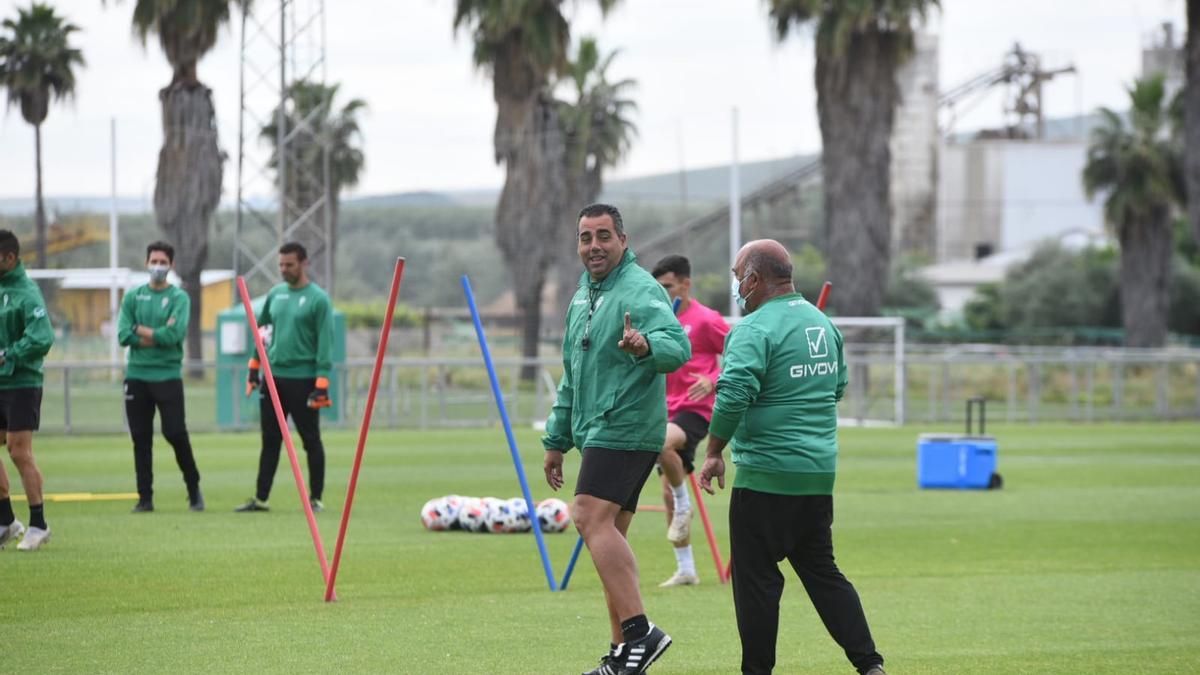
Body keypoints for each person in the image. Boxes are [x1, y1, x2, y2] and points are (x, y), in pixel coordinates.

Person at [699, 240, 885, 675]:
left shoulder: (753, 330)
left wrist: (713, 451)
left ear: (755, 278)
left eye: (737, 275)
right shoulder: (823, 325)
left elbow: (733, 397)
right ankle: (870, 664)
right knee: (824, 575)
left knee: (756, 585)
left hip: (765, 478)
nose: (736, 285)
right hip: (817, 477)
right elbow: (836, 388)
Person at [543, 203, 690, 675]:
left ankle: (640, 634)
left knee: (587, 517)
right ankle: (621, 656)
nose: (594, 246)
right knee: (609, 537)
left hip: (625, 426)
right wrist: (556, 438)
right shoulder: (583, 296)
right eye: (586, 238)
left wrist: (646, 346)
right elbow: (572, 374)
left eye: (603, 236)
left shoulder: (640, 289)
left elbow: (677, 347)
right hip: (596, 430)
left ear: (623, 241)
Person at [236, 242, 334, 514]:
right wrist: (254, 367)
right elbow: (262, 331)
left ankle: (315, 499)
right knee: (270, 440)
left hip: (303, 380)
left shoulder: (318, 299)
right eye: (280, 264)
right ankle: (261, 499)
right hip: (274, 378)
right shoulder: (276, 294)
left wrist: (321, 382)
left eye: (289, 264)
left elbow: (326, 343)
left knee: (310, 440)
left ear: (304, 264)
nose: (283, 269)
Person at [650, 254, 729, 587]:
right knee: (668, 492)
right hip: (664, 410)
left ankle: (685, 503)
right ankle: (686, 569)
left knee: (658, 440)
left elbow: (743, 355)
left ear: (685, 284)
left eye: (667, 287)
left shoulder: (706, 320)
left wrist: (713, 379)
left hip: (697, 410)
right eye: (658, 288)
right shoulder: (657, 320)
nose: (663, 293)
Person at [118, 241, 203, 512]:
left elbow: (174, 335)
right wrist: (156, 334)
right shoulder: (132, 297)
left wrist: (140, 330)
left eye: (162, 262)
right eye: (153, 261)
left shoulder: (179, 298)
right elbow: (123, 335)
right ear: (146, 263)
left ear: (171, 265)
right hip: (137, 376)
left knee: (175, 432)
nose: (157, 266)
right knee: (140, 438)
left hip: (167, 376)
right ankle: (145, 499)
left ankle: (194, 489)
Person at [0, 230, 55, 551]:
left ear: (9, 258)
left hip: (22, 383)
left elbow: (42, 337)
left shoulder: (27, 293)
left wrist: (10, 353)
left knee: (19, 451)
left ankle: (39, 523)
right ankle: (6, 521)